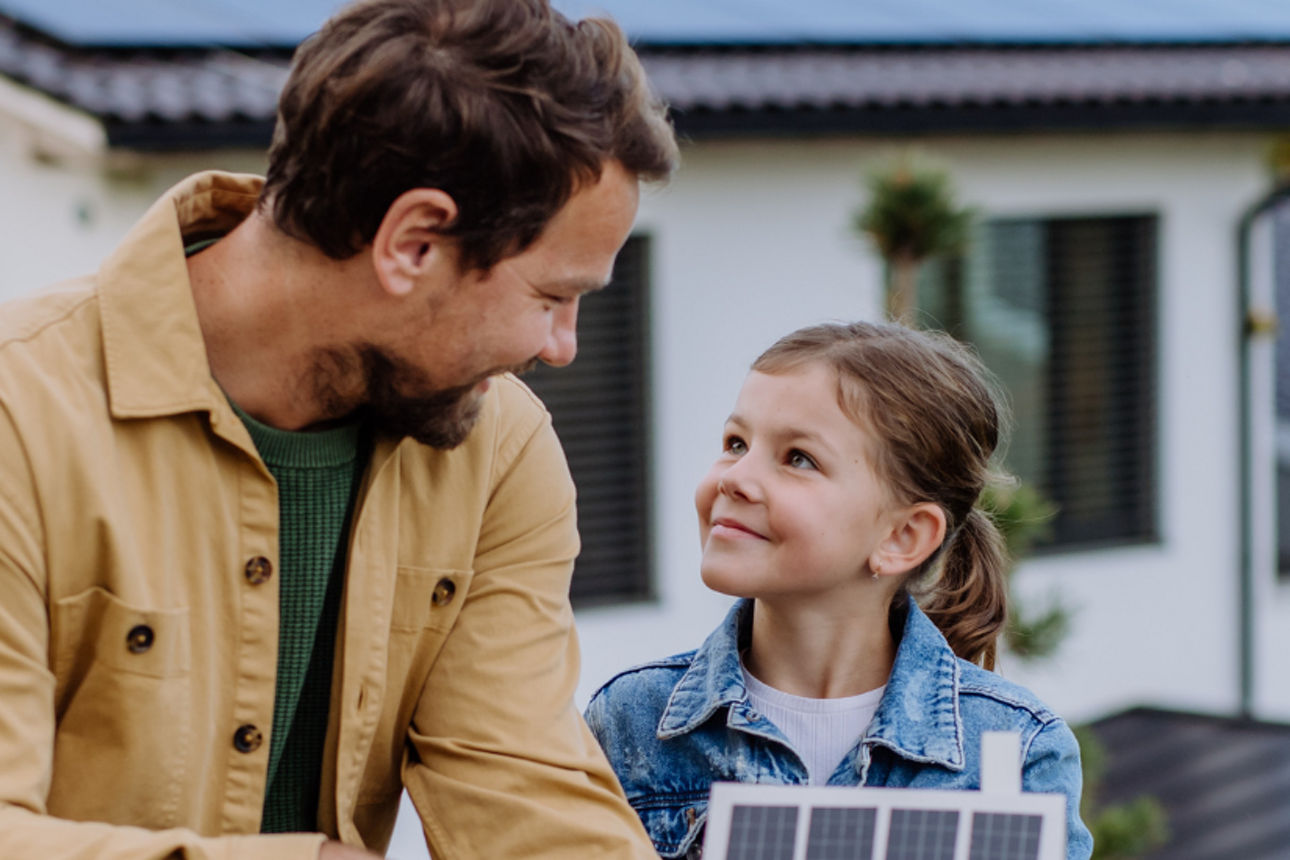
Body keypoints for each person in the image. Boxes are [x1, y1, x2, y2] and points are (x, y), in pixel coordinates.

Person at [0, 0, 677, 857]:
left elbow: (524, 795)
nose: (564, 347)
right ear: (413, 242)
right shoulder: (17, 417)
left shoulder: (500, 451)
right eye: (551, 297)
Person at [585, 322, 1094, 860]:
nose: (734, 477)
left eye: (798, 458)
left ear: (902, 537)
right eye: (736, 443)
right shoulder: (630, 720)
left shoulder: (1017, 749)